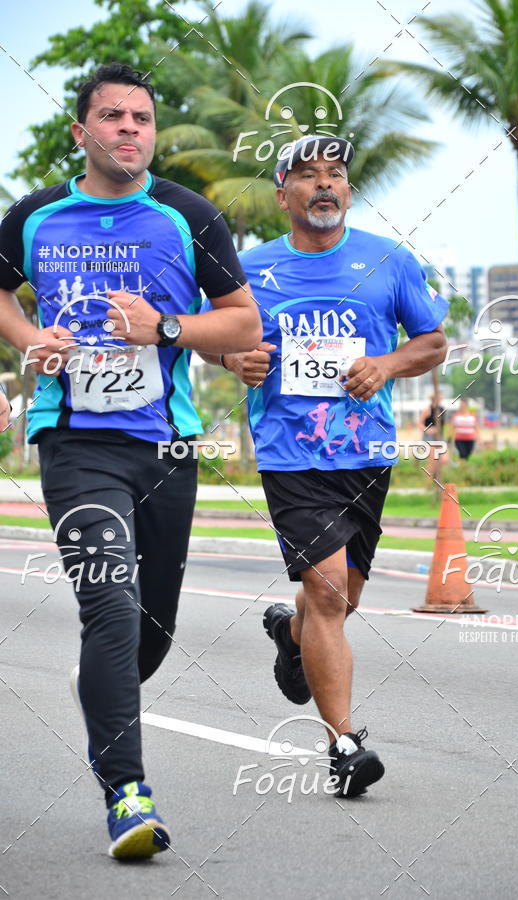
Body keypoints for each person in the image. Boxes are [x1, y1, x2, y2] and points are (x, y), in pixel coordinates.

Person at [0, 63, 261, 858]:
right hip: (75, 445)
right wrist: (28, 339)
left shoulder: (188, 217)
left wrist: (167, 330)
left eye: (142, 119)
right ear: (81, 133)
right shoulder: (36, 217)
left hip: (167, 446)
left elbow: (243, 325)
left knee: (150, 630)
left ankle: (106, 688)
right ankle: (128, 794)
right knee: (108, 604)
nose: (130, 131)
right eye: (112, 117)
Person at [203, 135, 448, 797]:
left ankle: (291, 633)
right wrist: (234, 360)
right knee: (331, 592)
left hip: (365, 455)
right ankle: (344, 744)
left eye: (335, 173)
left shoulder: (388, 261)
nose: (323, 184)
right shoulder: (248, 268)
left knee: (339, 603)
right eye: (307, 175)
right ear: (283, 194)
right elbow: (212, 339)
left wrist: (387, 364)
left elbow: (432, 341)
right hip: (289, 454)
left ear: (346, 189)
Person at [417, 391, 447, 491]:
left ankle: (437, 478)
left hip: (439, 437)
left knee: (443, 459)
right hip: (429, 438)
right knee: (432, 461)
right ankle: (429, 484)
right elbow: (419, 423)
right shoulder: (428, 410)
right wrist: (428, 430)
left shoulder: (442, 410)